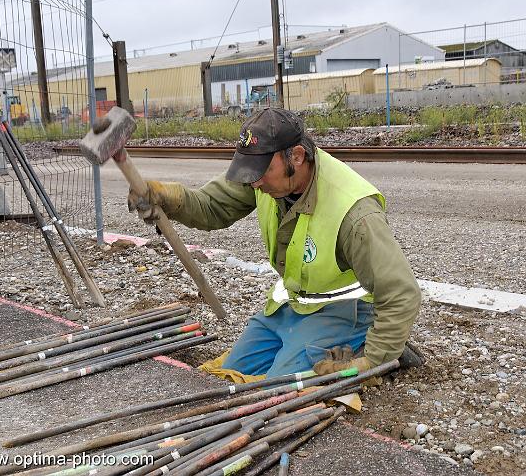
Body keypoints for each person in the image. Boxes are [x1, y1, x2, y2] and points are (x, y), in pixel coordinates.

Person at [128, 108, 422, 381]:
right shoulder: (265, 174)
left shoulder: (355, 214)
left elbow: (400, 293)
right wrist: (170, 197)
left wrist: (372, 361)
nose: (254, 183)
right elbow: (212, 206)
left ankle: (367, 347)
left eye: (260, 172)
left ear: (295, 156)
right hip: (291, 306)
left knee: (277, 389)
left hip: (346, 312)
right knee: (229, 375)